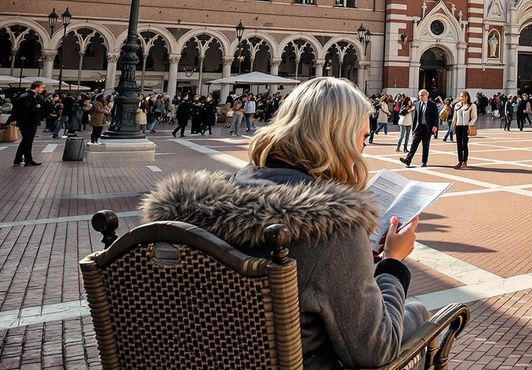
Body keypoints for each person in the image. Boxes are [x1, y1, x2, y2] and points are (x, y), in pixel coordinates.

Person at [141, 77, 430, 370]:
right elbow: (374, 349)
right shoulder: (333, 227)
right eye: (362, 137)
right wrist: (392, 262)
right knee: (416, 312)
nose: (363, 148)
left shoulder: (197, 209)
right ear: (339, 139)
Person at [10, 79, 48, 166]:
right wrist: (14, 119)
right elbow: (18, 109)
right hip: (28, 122)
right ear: (37, 87)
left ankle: (19, 159)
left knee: (26, 141)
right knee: (28, 141)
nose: (42, 89)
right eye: (41, 87)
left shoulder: (30, 96)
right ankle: (28, 160)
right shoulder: (27, 96)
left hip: (29, 121)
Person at [452, 90, 477, 170]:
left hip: (466, 126)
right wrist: (453, 125)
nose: (461, 98)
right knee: (458, 144)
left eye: (463, 96)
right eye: (460, 96)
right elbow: (454, 117)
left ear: (467, 97)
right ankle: (459, 161)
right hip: (458, 126)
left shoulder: (471, 105)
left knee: (464, 144)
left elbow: (474, 117)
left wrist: (470, 124)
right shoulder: (457, 105)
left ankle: (464, 161)